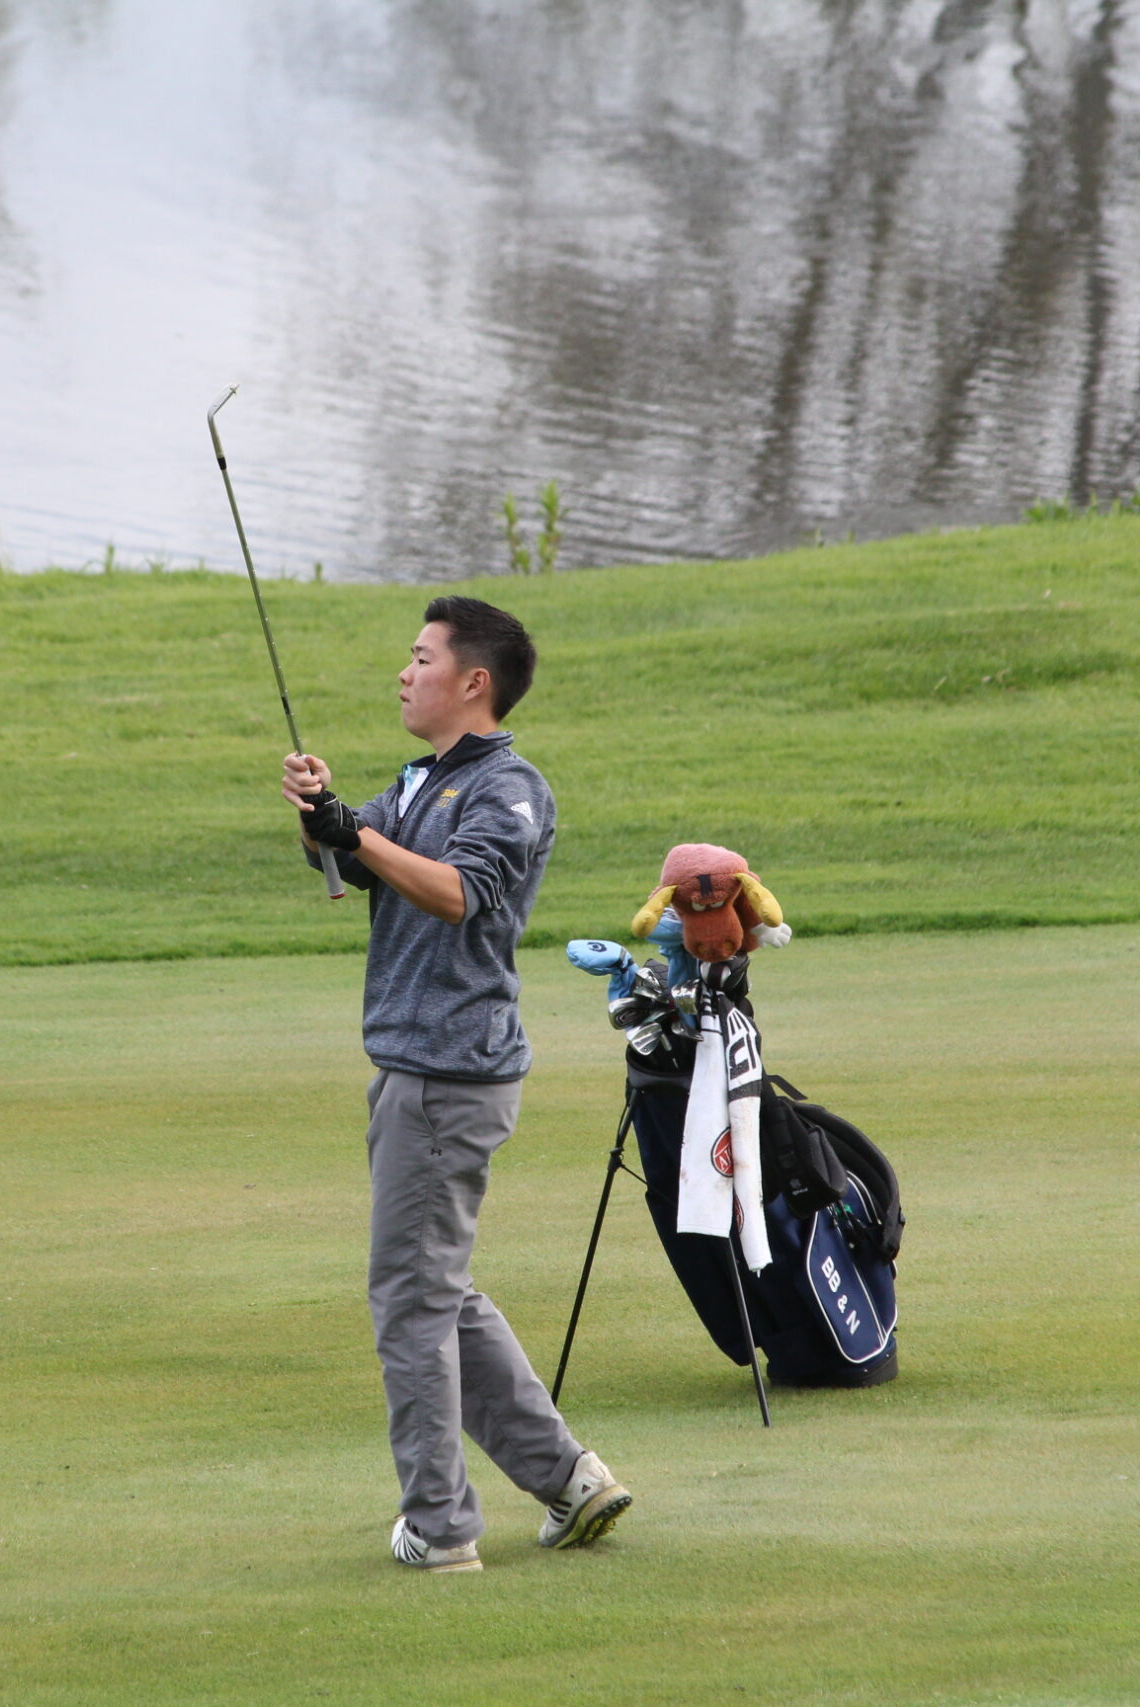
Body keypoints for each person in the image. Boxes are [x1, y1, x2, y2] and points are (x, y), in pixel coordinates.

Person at [283, 595, 631, 1573]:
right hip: (415, 1064)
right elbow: (353, 864)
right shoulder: (420, 780)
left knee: (408, 1296)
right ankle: (569, 1480)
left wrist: (355, 833)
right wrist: (323, 819)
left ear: (471, 682)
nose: (403, 672)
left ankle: (439, 1527)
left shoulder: (507, 788)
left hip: (447, 1072)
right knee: (439, 1290)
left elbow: (455, 893)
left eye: (420, 657)